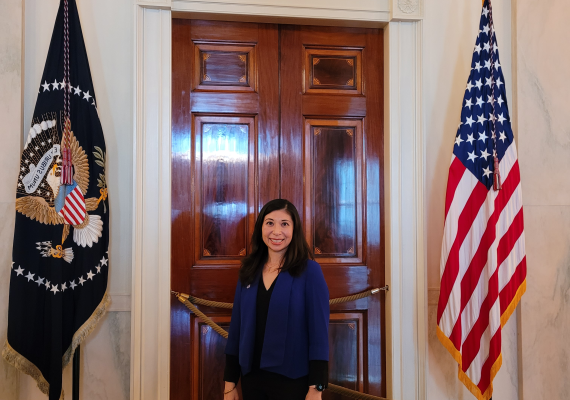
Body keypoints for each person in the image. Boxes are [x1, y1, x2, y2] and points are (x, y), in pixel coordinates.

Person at [223, 199, 330, 400]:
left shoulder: (310, 272)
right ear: (261, 227)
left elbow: (319, 335)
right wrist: (230, 383)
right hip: (252, 379)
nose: (276, 231)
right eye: (270, 223)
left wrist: (316, 389)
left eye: (284, 224)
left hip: (293, 381)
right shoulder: (249, 270)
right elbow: (237, 329)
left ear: (294, 229)